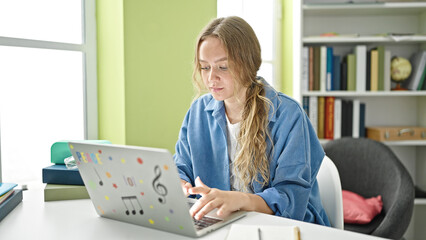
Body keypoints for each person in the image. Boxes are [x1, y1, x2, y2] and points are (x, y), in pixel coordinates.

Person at [173, 16, 330, 226]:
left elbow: (291, 200)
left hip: (286, 228)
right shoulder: (198, 111)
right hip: (223, 225)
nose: (211, 78)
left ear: (247, 64)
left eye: (223, 67)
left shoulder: (288, 115)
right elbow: (181, 165)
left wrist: (240, 200)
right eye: (205, 67)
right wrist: (180, 184)